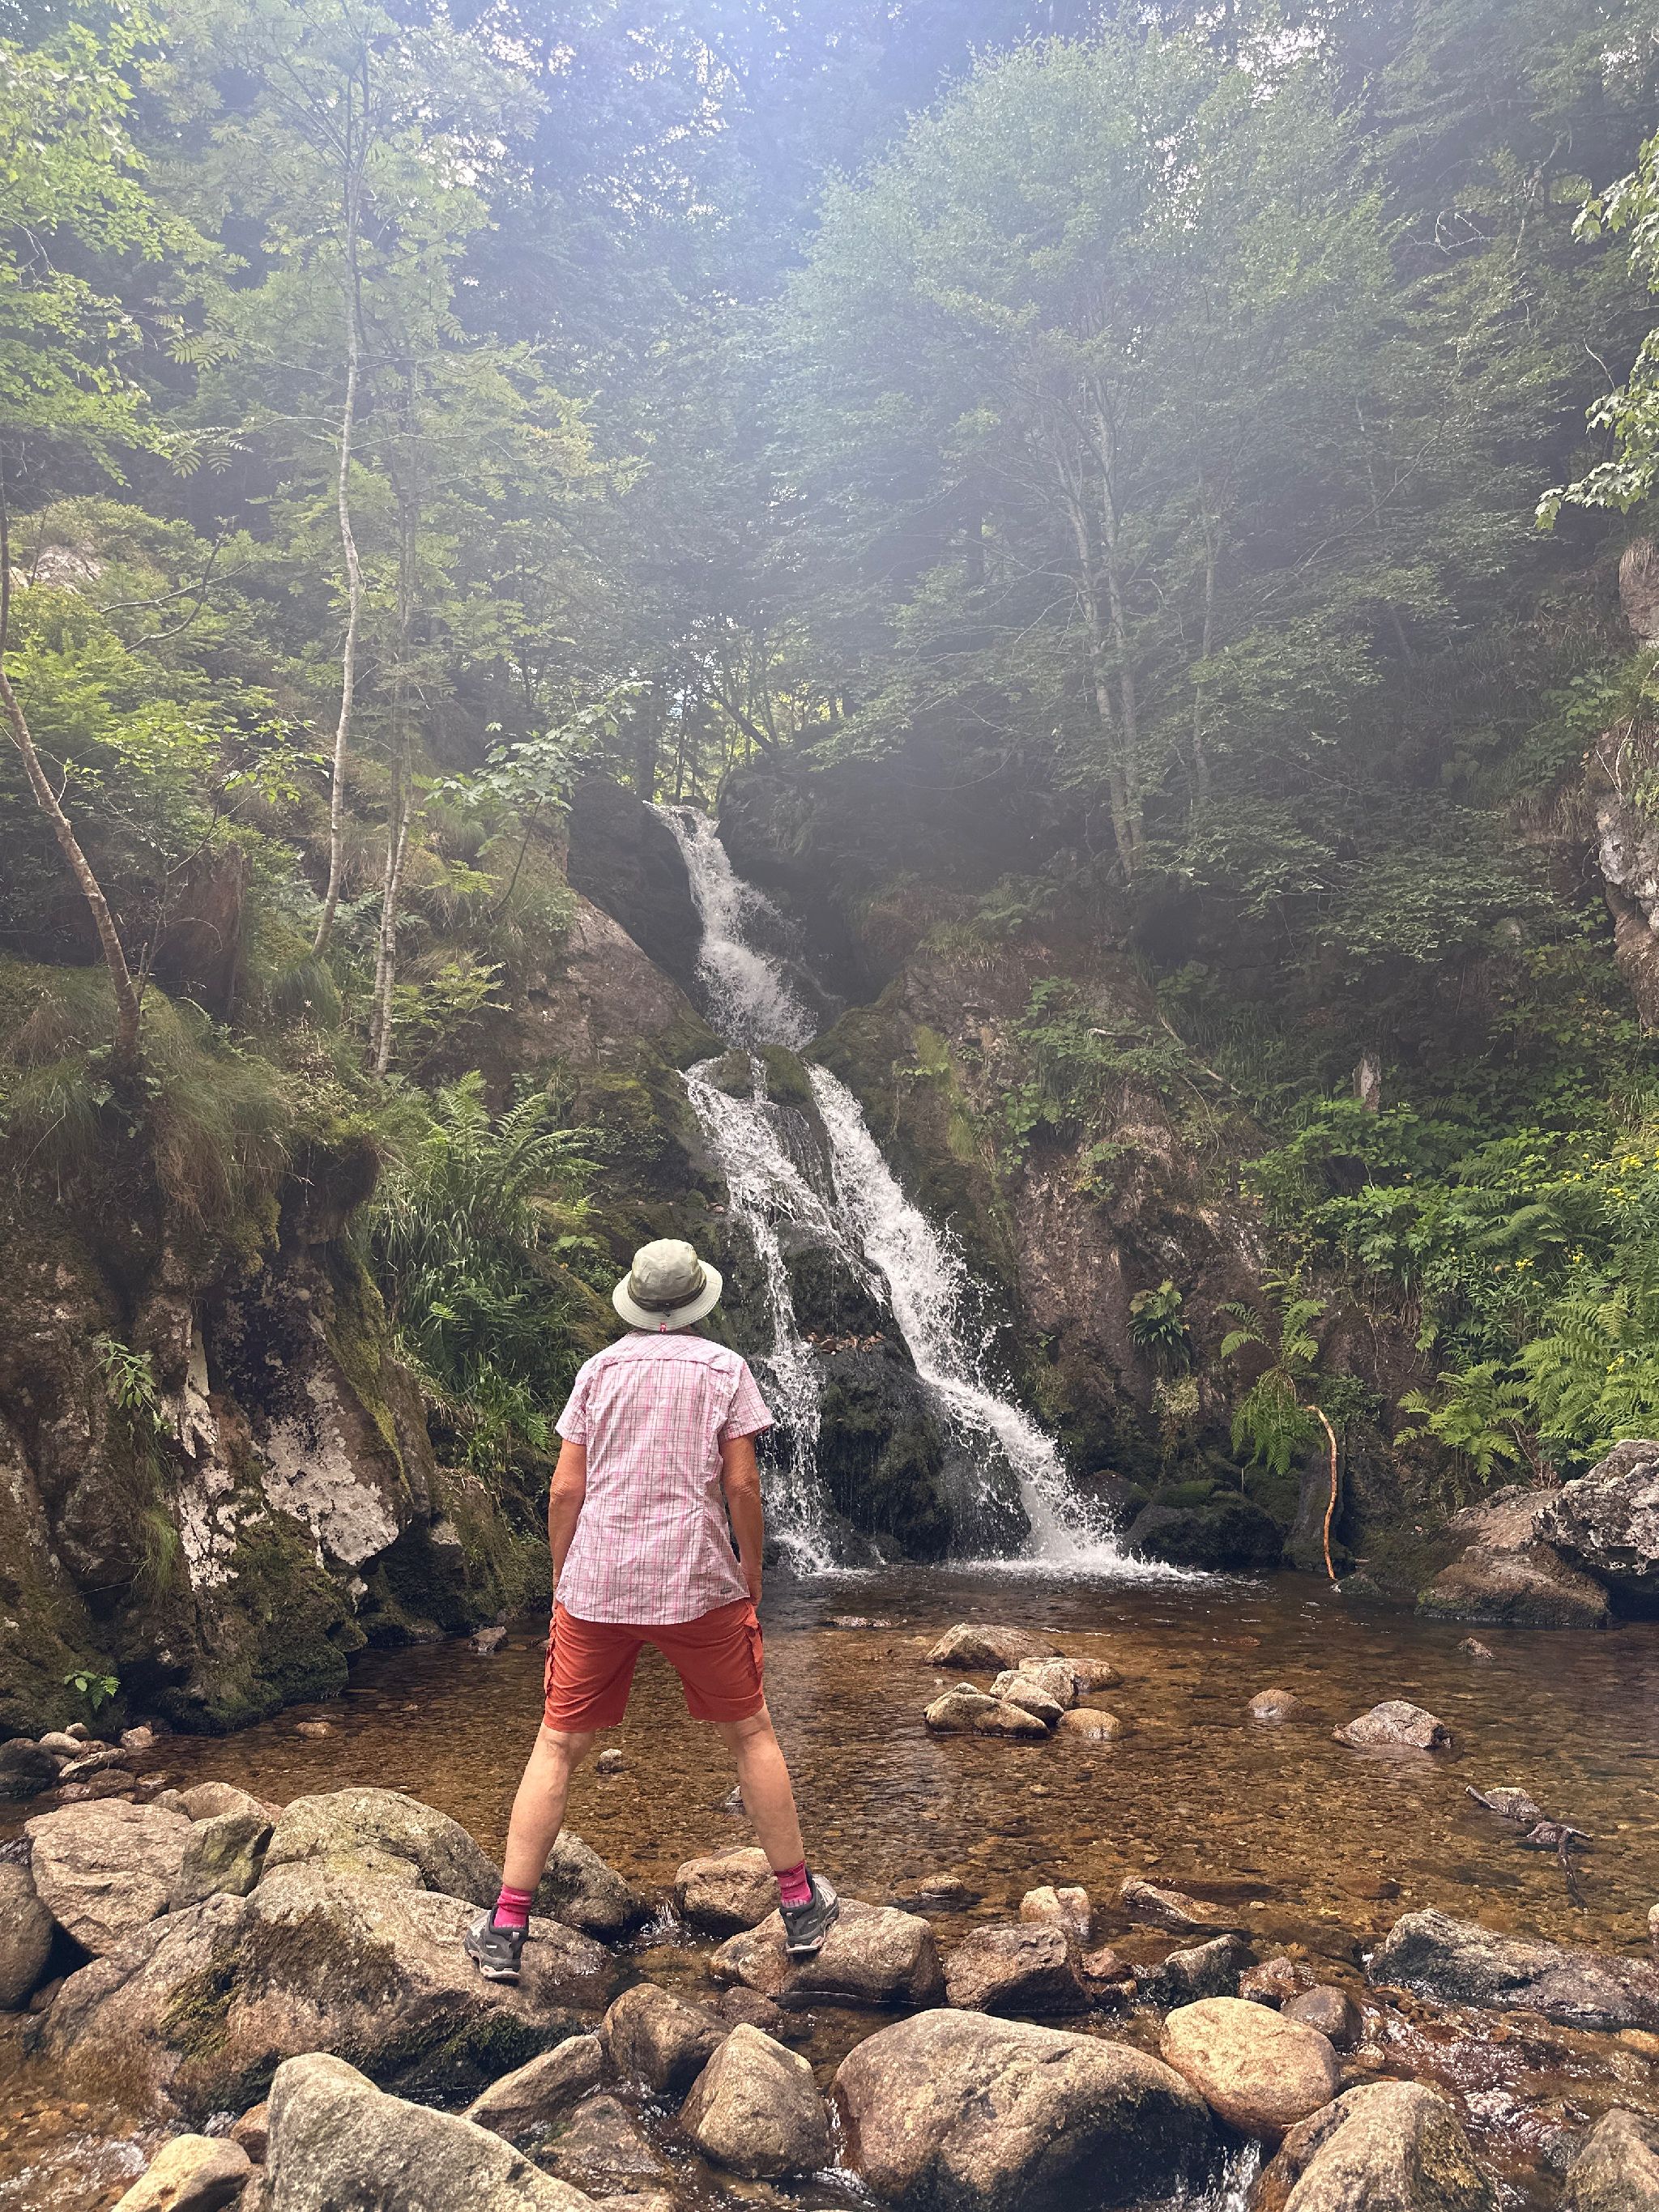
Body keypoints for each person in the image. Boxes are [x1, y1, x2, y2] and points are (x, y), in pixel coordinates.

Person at [465, 1237, 838, 1982]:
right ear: (698, 1299)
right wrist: (751, 1569)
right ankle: (800, 1906)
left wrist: (564, 1576)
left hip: (598, 1585)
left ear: (635, 1302)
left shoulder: (598, 1371)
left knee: (556, 1745)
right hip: (697, 1580)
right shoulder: (724, 1369)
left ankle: (506, 1926)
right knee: (751, 1734)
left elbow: (565, 1490)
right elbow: (742, 1487)